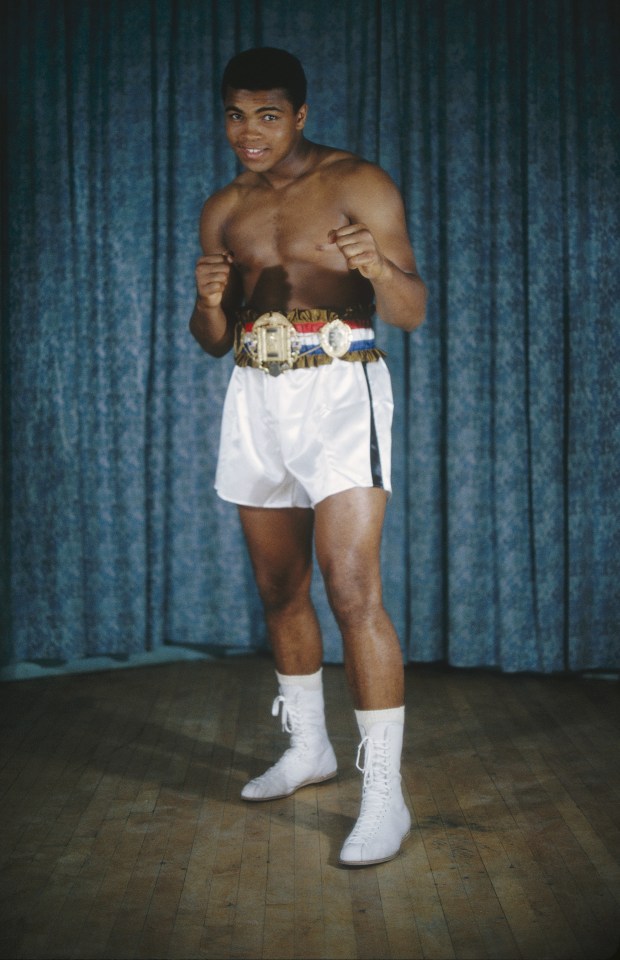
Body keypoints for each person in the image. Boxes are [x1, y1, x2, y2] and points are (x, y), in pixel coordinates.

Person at [189, 47, 427, 867]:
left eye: (265, 114)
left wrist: (376, 268)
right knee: (277, 585)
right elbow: (213, 343)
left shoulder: (360, 182)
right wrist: (207, 303)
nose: (247, 132)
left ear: (299, 115)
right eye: (234, 114)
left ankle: (386, 800)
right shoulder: (225, 207)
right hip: (257, 393)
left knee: (352, 586)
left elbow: (412, 308)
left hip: (341, 387)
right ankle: (308, 750)